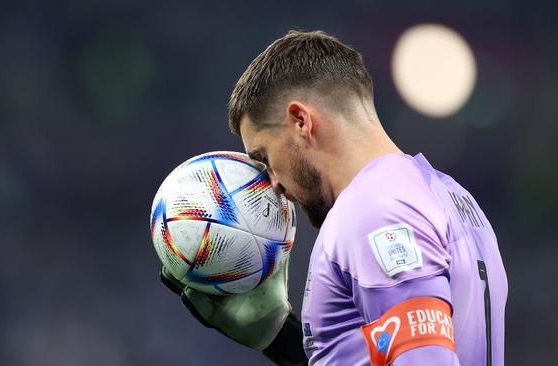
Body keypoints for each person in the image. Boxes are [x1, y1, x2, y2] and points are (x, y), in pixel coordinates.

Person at [161, 30, 507, 366]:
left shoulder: (374, 210)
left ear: (300, 121)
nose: (274, 185)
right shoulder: (453, 198)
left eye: (264, 157)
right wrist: (281, 340)